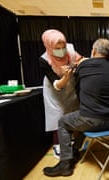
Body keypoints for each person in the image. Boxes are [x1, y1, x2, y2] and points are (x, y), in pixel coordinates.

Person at [43, 38, 109, 177]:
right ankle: (75, 151)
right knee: (81, 120)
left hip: (90, 121)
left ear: (94, 51)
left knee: (63, 122)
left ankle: (65, 164)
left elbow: (73, 80)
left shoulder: (83, 66)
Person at [39, 29, 83, 159]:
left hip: (69, 86)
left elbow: (80, 60)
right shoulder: (44, 60)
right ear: (49, 46)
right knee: (57, 116)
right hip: (54, 88)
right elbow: (56, 85)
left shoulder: (70, 49)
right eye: (57, 48)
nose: (62, 50)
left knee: (72, 112)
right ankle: (57, 145)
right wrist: (65, 76)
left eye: (63, 47)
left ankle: (71, 141)